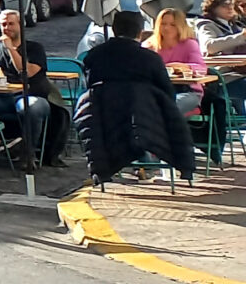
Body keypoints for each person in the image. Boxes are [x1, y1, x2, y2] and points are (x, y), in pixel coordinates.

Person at [76, 10, 196, 182]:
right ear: (140, 33)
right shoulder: (150, 58)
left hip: (103, 116)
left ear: (114, 30)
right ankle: (162, 167)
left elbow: (89, 84)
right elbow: (166, 92)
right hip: (145, 117)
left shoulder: (94, 55)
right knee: (160, 117)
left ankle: (113, 173)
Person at [0, 9, 67, 168]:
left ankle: (28, 153)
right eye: (3, 24)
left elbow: (26, 72)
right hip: (2, 98)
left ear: (21, 26)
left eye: (11, 24)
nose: (7, 28)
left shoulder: (34, 49)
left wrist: (11, 49)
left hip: (30, 95)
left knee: (31, 107)